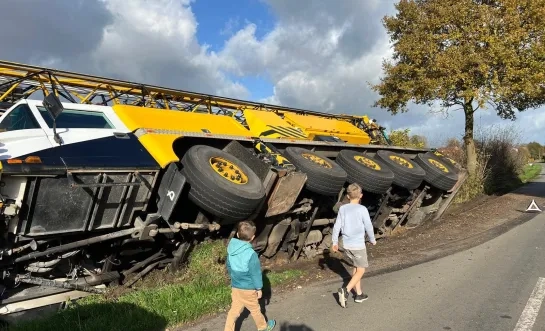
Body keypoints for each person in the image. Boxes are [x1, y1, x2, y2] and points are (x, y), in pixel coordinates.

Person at [224, 220, 276, 331]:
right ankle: (263, 327)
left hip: (236, 287)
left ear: (237, 234)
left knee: (234, 310)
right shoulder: (251, 254)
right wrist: (258, 288)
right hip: (248, 288)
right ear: (252, 238)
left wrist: (233, 278)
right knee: (255, 310)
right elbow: (255, 273)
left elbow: (229, 266)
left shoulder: (231, 250)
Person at [331, 183, 377, 308]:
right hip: (358, 245)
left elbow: (337, 226)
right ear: (361, 196)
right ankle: (345, 291)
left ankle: (359, 294)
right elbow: (368, 226)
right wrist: (372, 239)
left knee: (356, 267)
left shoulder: (342, 208)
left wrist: (334, 242)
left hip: (347, 244)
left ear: (347, 196)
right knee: (361, 269)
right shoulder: (362, 209)